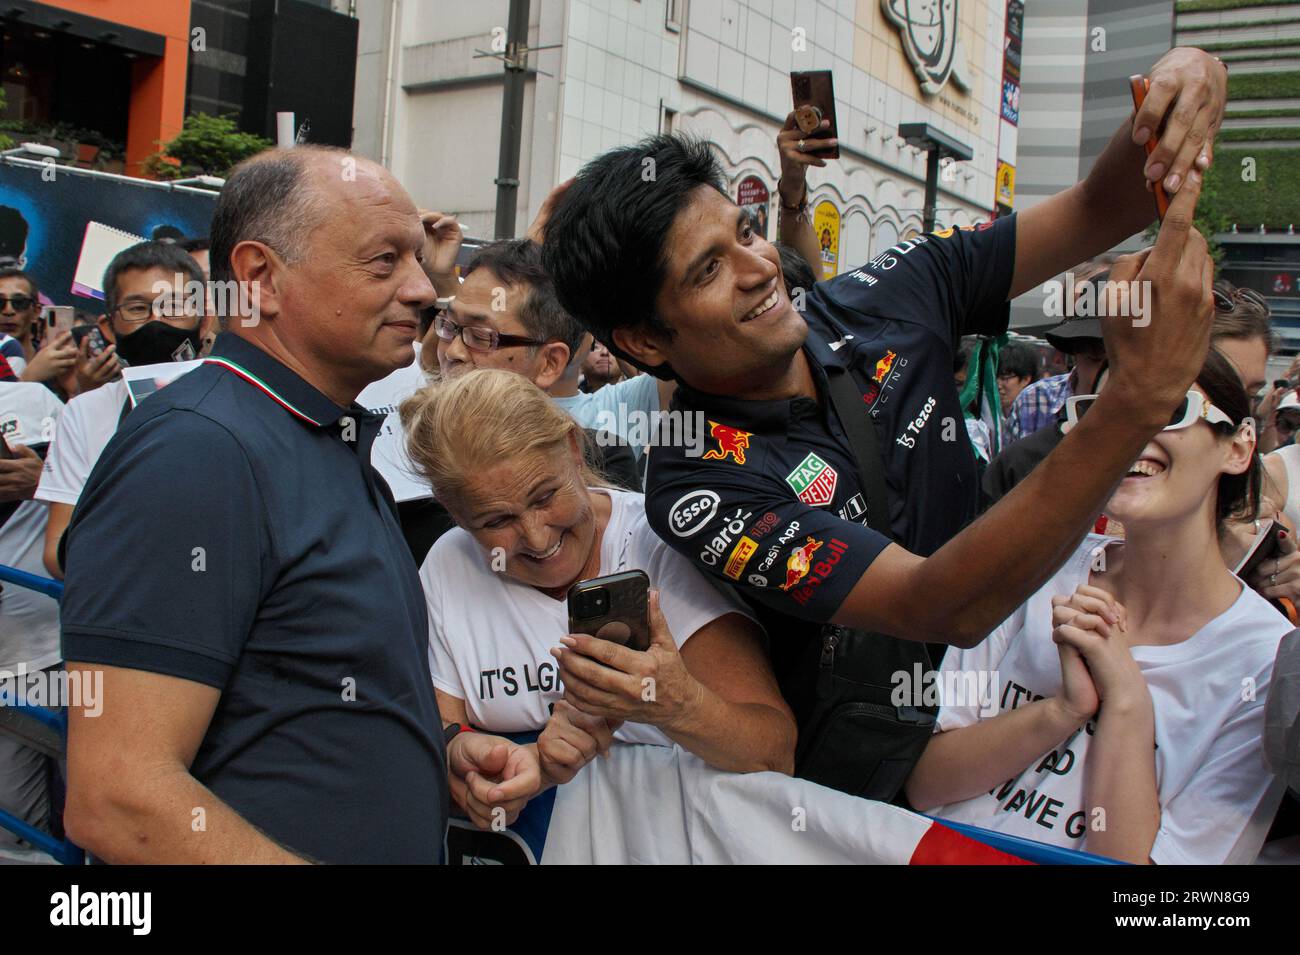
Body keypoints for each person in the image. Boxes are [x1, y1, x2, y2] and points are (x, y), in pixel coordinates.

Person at [541, 48, 1223, 790]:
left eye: (745, 232)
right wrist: (1136, 400)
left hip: (1045, 688)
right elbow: (939, 603)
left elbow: (1099, 209)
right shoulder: (699, 484)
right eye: (707, 270)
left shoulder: (889, 292)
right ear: (643, 340)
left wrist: (1173, 103)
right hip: (883, 786)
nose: (759, 267)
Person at [55, 146, 522, 863]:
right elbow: (119, 796)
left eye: (419, 261)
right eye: (384, 261)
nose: (425, 290)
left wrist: (438, 753)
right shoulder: (198, 452)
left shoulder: (321, 436)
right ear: (259, 277)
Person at [907, 348, 1289, 864]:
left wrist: (1126, 703)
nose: (1128, 433)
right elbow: (926, 782)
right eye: (1105, 413)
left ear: (1239, 448)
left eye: (1169, 411)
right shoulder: (1038, 567)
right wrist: (1063, 710)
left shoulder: (1267, 661)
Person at [402, 369, 795, 832]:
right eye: (495, 521)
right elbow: (439, 729)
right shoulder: (451, 563)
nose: (536, 536)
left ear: (572, 448)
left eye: (545, 496)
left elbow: (773, 752)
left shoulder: (656, 546)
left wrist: (675, 703)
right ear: (455, 513)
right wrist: (467, 761)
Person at [35, 241, 207, 579]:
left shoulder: (246, 401)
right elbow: (56, 555)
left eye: (173, 305)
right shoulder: (83, 412)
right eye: (137, 308)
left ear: (204, 319)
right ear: (111, 324)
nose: (157, 321)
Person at [0, 375, 64, 854]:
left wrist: (44, 482)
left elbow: (111, 492)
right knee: (15, 834)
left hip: (52, 651)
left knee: (97, 798)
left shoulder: (35, 400)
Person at [995, 341, 1038, 425]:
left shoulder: (1036, 417)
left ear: (1025, 379)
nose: (998, 385)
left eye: (1004, 377)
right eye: (994, 378)